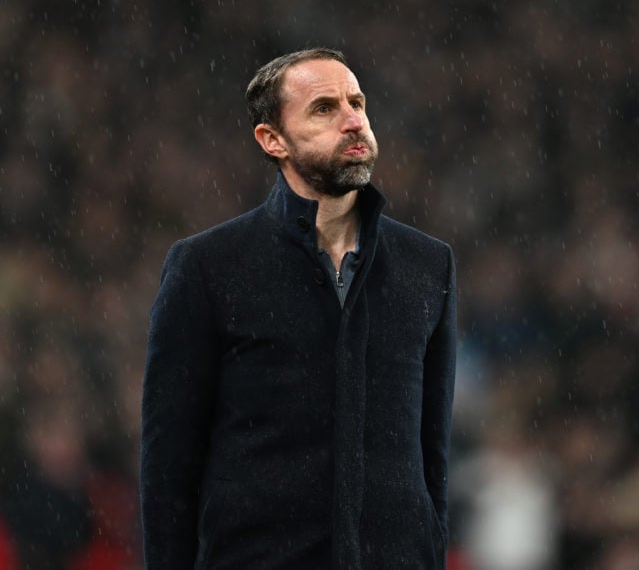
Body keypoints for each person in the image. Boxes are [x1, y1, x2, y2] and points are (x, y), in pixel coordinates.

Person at [140, 48, 458, 568]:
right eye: (324, 108)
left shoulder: (428, 265)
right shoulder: (208, 266)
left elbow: (432, 462)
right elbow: (168, 467)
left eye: (357, 103)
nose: (353, 120)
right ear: (273, 140)